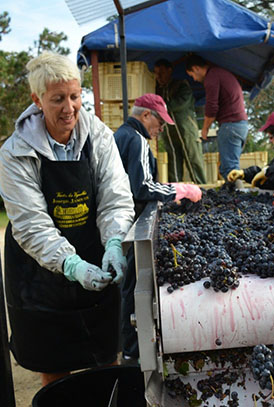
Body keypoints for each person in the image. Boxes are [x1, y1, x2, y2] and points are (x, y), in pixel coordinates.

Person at [0, 52, 135, 387]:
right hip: (38, 272)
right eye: (57, 99)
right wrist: (71, 265)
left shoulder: (99, 136)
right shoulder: (15, 152)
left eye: (75, 97)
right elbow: (32, 225)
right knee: (55, 365)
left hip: (95, 253)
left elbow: (114, 196)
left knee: (105, 356)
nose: (69, 108)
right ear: (37, 100)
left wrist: (115, 242)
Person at [113, 93, 202, 363]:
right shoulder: (137, 139)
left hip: (118, 222)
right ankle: (132, 351)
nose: (160, 129)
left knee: (123, 288)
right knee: (132, 289)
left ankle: (125, 347)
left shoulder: (120, 135)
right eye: (159, 122)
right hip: (129, 222)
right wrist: (178, 190)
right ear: (145, 115)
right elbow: (141, 187)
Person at [184, 54, 249, 179]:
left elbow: (212, 106)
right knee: (228, 167)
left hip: (231, 125)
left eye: (192, 75)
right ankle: (233, 195)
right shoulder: (220, 73)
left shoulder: (211, 77)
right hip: (240, 125)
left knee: (230, 170)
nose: (195, 79)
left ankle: (238, 196)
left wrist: (205, 129)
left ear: (196, 68)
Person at [154, 58, 208, 184]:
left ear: (169, 70)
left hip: (186, 129)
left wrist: (161, 107)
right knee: (173, 160)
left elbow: (181, 103)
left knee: (193, 159)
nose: (158, 76)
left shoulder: (181, 84)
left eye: (161, 72)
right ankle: (176, 193)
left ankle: (203, 190)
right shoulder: (157, 89)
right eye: (156, 73)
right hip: (168, 132)